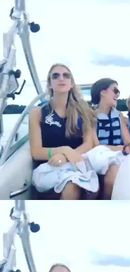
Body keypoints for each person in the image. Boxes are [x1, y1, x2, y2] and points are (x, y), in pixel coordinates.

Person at [29, 64, 96, 199]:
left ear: (71, 84)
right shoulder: (37, 113)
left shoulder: (83, 111)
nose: (61, 78)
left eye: (66, 75)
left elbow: (88, 144)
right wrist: (64, 150)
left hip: (76, 163)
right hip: (49, 168)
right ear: (50, 84)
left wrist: (66, 157)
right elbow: (36, 152)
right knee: (71, 185)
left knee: (79, 184)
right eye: (55, 76)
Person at [91, 78, 130, 198]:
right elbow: (95, 145)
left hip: (120, 153)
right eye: (115, 91)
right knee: (113, 175)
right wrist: (120, 148)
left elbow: (127, 141)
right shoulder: (91, 116)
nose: (118, 95)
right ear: (103, 92)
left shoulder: (118, 115)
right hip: (100, 156)